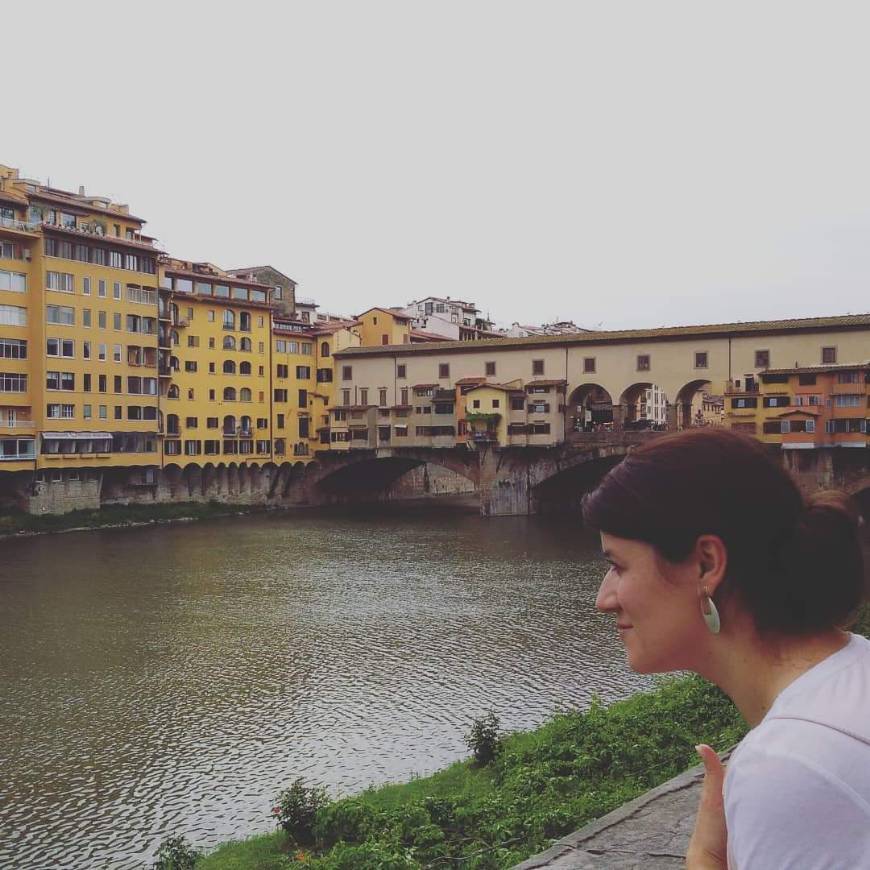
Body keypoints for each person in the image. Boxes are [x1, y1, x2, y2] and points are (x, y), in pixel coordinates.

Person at [581, 428, 870, 869]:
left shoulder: (792, 766)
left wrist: (703, 859)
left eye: (618, 566)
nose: (603, 600)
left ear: (707, 565)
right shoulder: (855, 671)